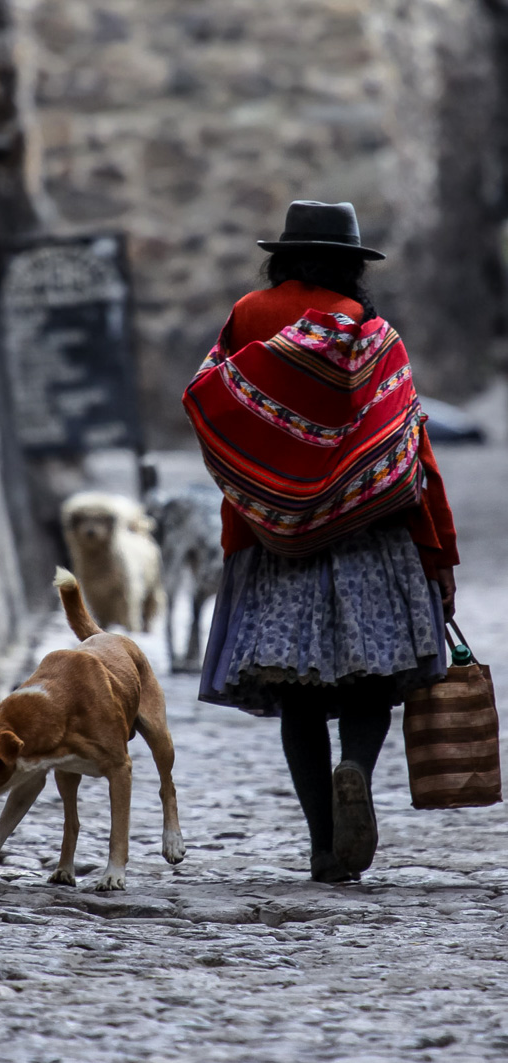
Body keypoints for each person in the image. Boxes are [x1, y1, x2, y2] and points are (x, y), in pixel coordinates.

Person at [183, 200, 459, 883]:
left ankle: (320, 847)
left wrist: (266, 493)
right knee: (372, 679)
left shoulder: (245, 318)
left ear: (280, 256)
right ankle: (354, 768)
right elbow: (408, 446)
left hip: (273, 541)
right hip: (368, 539)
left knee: (297, 693)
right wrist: (438, 550)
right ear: (351, 267)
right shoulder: (370, 331)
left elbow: (215, 408)